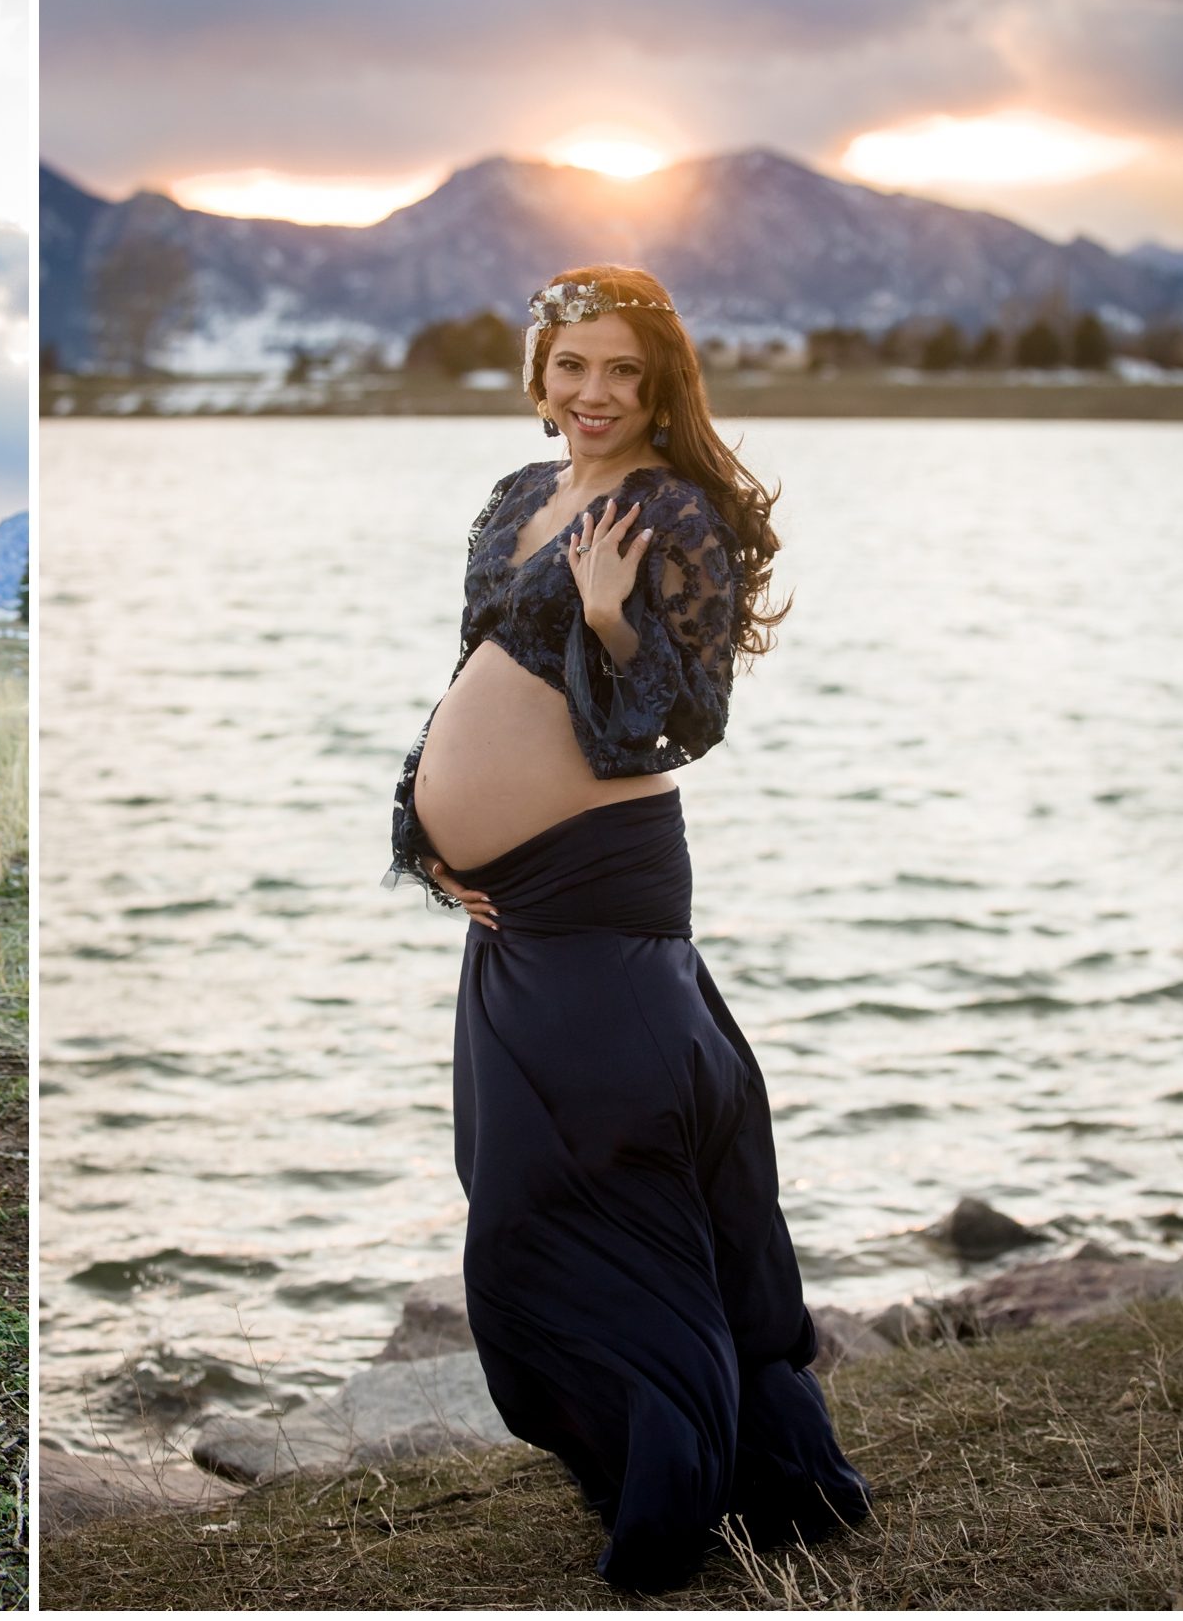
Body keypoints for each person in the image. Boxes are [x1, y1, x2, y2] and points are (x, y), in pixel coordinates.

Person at [387, 266, 870, 1591]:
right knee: (518, 1192)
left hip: (602, 887)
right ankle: (709, 1463)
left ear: (659, 386)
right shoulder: (512, 501)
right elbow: (470, 673)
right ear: (537, 371)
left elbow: (681, 720)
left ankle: (680, 1489)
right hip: (512, 913)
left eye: (623, 372)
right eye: (572, 365)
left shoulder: (676, 511)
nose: (594, 393)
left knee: (606, 1182)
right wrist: (423, 831)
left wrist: (608, 614)